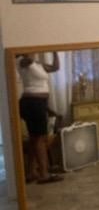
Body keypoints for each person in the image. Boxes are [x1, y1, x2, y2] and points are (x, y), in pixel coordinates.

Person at [18, 52, 63, 184]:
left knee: (34, 138)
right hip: (32, 103)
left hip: (38, 104)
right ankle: (44, 174)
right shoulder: (22, 61)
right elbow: (27, 59)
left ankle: (32, 172)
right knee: (40, 138)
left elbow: (55, 67)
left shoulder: (38, 65)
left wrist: (55, 51)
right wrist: (30, 49)